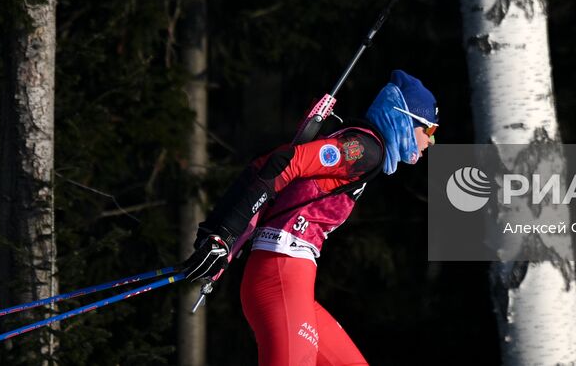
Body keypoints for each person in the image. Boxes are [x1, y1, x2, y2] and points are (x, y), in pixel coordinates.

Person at [181, 69, 438, 366]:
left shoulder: (364, 147)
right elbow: (283, 163)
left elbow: (263, 165)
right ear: (404, 120)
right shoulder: (365, 150)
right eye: (429, 130)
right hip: (282, 273)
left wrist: (217, 233)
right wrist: (223, 233)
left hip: (290, 278)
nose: (430, 142)